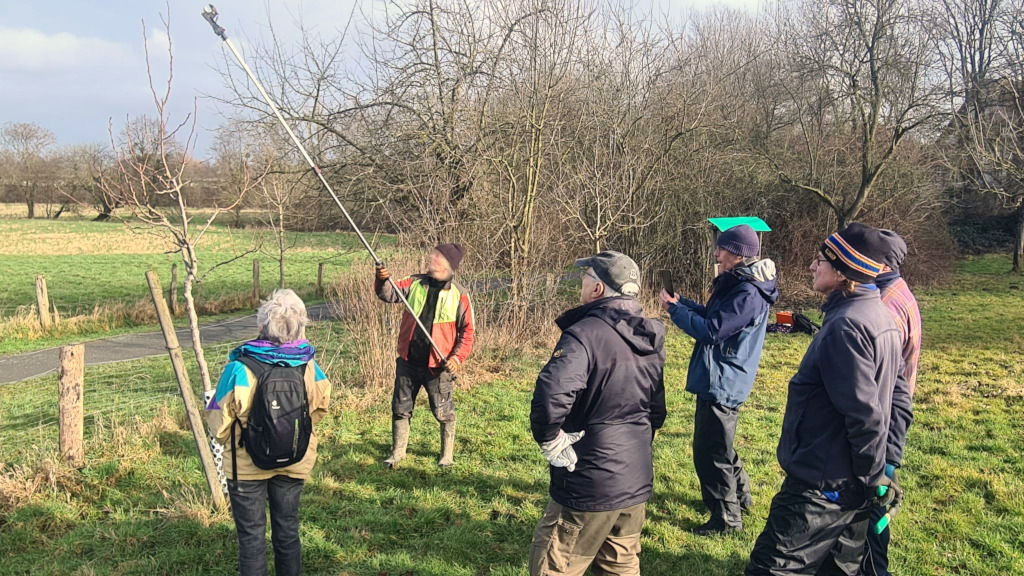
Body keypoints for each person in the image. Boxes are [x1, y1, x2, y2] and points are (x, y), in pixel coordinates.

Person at [745, 223, 904, 576]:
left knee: (772, 569)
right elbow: (898, 399)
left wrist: (870, 476)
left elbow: (865, 416)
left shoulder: (847, 326)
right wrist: (875, 474)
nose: (812, 266)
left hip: (821, 490)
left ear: (844, 270)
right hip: (848, 487)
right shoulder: (880, 317)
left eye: (820, 260)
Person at [529, 250, 666, 576]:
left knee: (553, 567)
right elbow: (656, 411)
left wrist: (549, 438)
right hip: (634, 479)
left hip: (588, 482)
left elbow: (551, 396)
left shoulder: (585, 333)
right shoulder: (651, 336)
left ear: (598, 289)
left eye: (586, 277)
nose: (582, 283)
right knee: (619, 568)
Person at [658, 224, 779, 535]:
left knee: (710, 452)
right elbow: (713, 317)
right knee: (719, 445)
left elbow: (711, 331)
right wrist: (681, 303)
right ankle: (740, 497)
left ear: (737, 255)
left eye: (722, 249)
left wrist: (673, 311)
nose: (717, 253)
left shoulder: (747, 292)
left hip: (723, 379)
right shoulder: (741, 285)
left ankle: (726, 520)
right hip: (722, 375)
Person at [206, 289, 332, 576]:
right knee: (287, 531)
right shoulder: (310, 365)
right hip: (294, 460)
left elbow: (218, 421)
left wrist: (231, 438)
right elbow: (321, 406)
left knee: (251, 538)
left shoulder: (237, 368)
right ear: (300, 326)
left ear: (261, 325)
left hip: (246, 467)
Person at [375, 243, 474, 468]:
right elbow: (387, 294)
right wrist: (381, 279)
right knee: (400, 408)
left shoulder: (460, 295)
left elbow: (468, 334)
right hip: (408, 361)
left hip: (438, 367)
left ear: (448, 264)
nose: (431, 257)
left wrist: (457, 359)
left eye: (436, 256)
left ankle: (446, 456)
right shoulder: (414, 282)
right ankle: (397, 453)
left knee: (443, 412)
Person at [862, 229, 920, 576]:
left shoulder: (885, 306)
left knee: (872, 515)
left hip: (882, 427)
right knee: (875, 509)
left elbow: (885, 382)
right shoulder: (899, 291)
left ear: (880, 266)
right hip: (888, 423)